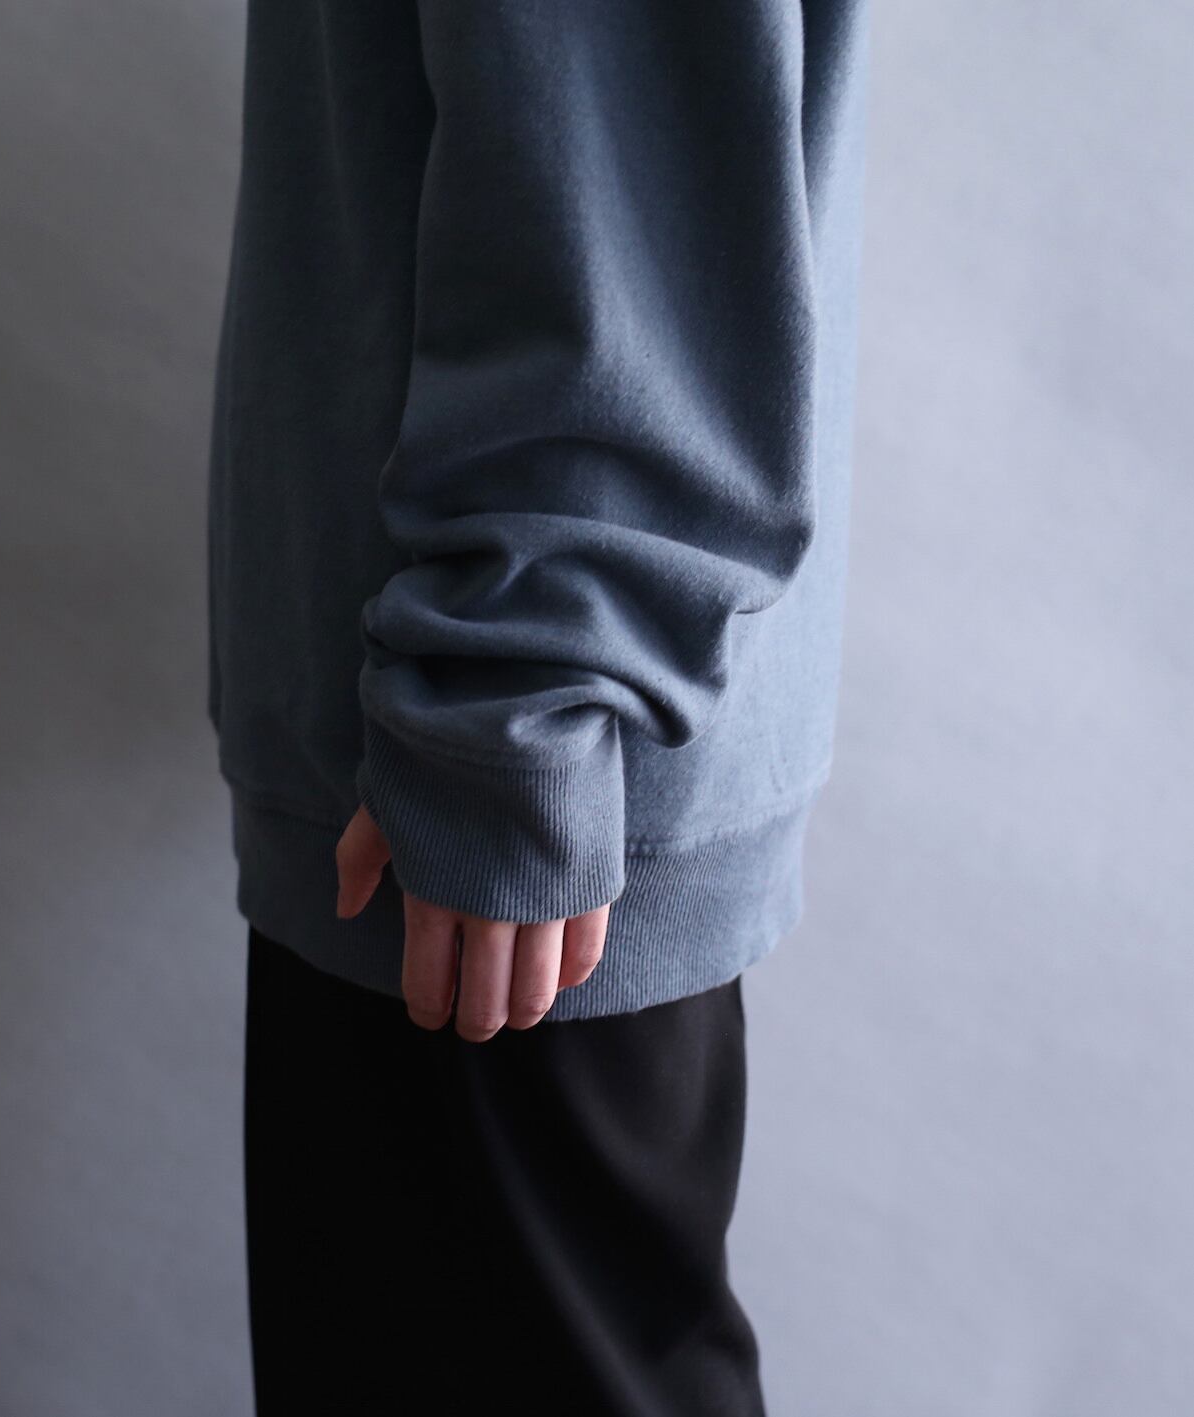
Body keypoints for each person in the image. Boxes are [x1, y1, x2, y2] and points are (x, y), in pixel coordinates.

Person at [207, 1, 871, 1411]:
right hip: (454, 740)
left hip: (497, 777)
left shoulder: (506, 732)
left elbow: (617, 163)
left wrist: (517, 708)